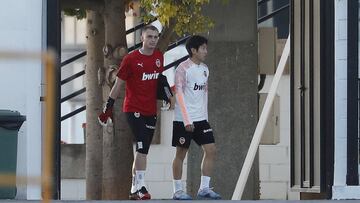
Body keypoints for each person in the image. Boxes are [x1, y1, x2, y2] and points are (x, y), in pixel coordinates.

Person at [98, 25, 172, 200]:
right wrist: (108, 108)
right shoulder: (131, 59)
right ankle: (141, 187)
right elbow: (118, 85)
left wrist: (169, 96)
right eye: (150, 37)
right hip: (133, 109)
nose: (153, 40)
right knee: (142, 146)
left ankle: (133, 189)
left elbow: (160, 80)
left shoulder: (158, 57)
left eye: (156, 37)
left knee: (143, 150)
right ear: (142, 38)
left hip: (150, 109)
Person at [171, 35, 221, 200]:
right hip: (183, 120)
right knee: (181, 154)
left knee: (211, 150)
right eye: (203, 48)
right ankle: (178, 191)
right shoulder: (182, 68)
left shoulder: (205, 69)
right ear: (193, 50)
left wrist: (204, 117)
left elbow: (204, 95)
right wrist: (187, 120)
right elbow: (178, 94)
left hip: (201, 119)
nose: (206, 51)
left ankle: (204, 188)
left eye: (206, 48)